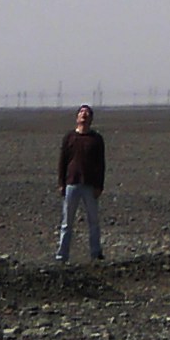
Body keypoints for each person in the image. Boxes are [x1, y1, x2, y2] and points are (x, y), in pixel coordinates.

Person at [56, 104, 106, 265]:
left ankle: (96, 253)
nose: (84, 115)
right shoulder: (69, 137)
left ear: (91, 119)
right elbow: (62, 161)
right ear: (77, 117)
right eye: (81, 112)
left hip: (90, 185)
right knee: (67, 223)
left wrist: (99, 185)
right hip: (71, 183)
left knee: (93, 222)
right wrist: (61, 183)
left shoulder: (96, 139)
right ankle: (62, 256)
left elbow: (101, 164)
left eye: (87, 113)